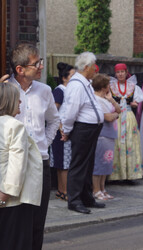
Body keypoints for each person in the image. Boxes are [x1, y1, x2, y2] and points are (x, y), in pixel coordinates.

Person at [9, 43, 60, 250]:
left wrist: (44, 144)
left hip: (39, 163)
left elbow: (54, 121)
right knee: (14, 219)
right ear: (20, 69)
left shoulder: (45, 90)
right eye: (36, 63)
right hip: (14, 165)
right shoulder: (6, 90)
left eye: (40, 62)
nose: (41, 66)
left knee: (37, 221)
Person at [0, 82, 43, 250]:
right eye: (17, 99)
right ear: (9, 101)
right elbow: (18, 164)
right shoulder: (15, 126)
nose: (20, 103)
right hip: (11, 199)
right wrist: (5, 195)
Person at [61, 52, 105, 214]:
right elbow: (71, 110)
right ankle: (74, 200)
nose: (95, 69)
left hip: (91, 128)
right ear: (86, 67)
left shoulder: (84, 82)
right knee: (79, 165)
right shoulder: (76, 84)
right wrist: (66, 130)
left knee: (88, 164)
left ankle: (87, 197)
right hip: (82, 129)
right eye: (94, 66)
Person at [109, 63, 143, 182]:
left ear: (126, 72)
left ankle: (130, 174)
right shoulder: (111, 87)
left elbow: (139, 100)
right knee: (117, 143)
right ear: (115, 74)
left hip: (129, 117)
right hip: (116, 118)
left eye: (122, 72)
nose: (120, 74)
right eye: (118, 72)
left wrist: (135, 103)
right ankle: (117, 175)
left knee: (130, 143)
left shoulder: (133, 86)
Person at [92, 73, 121, 200]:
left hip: (109, 135)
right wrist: (115, 115)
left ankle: (103, 188)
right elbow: (108, 117)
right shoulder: (96, 99)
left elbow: (119, 110)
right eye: (108, 84)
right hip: (101, 135)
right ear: (103, 87)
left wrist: (111, 100)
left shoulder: (105, 99)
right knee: (99, 163)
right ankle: (96, 190)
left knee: (106, 163)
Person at [50, 62, 75, 201]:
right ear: (64, 78)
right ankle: (64, 191)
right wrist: (61, 129)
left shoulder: (69, 90)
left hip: (66, 131)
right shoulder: (60, 91)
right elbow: (54, 113)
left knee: (63, 164)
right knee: (63, 165)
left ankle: (61, 191)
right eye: (72, 75)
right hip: (61, 132)